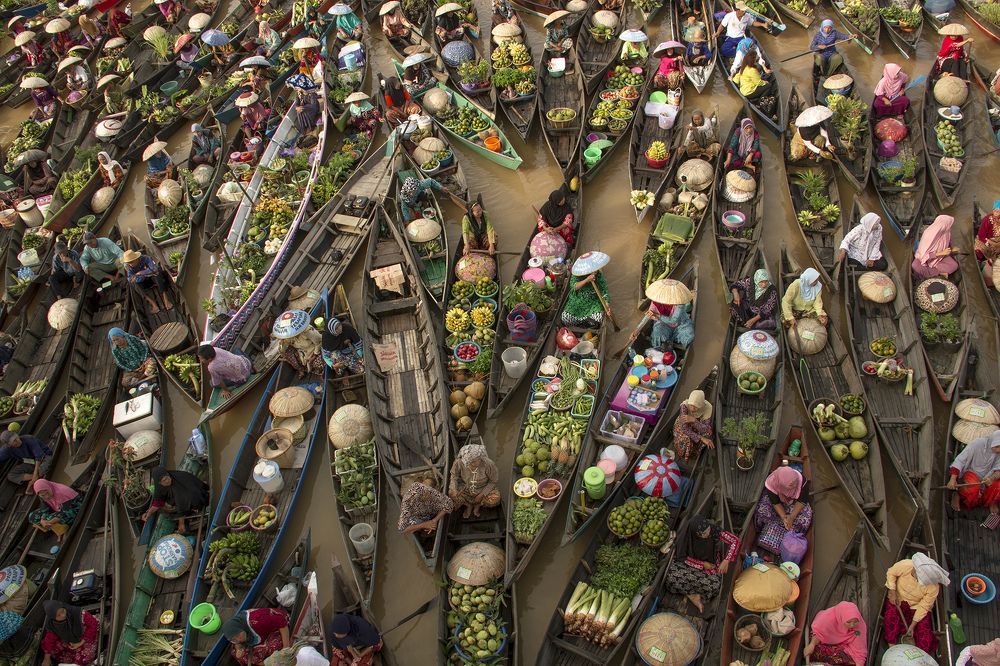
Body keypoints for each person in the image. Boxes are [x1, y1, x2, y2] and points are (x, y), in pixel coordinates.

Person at [663, 514, 734, 612]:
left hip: (710, 567)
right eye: (704, 533)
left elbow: (735, 541)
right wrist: (702, 564)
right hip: (690, 566)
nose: (708, 533)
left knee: (715, 585)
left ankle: (689, 592)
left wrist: (726, 560)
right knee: (670, 576)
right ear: (696, 534)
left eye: (708, 529)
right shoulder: (686, 537)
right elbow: (682, 558)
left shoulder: (712, 530)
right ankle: (692, 595)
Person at [880, 553, 948, 654]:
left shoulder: (933, 588)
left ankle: (920, 655)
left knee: (924, 631)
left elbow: (924, 607)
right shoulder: (905, 565)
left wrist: (912, 626)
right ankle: (892, 647)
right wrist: (892, 591)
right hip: (899, 598)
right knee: (891, 617)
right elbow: (891, 573)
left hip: (916, 605)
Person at [141, 467, 210, 533]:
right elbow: (158, 502)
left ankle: (195, 509)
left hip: (197, 496)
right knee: (168, 506)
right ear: (159, 483)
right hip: (183, 498)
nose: (168, 480)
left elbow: (182, 505)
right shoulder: (160, 487)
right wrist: (148, 513)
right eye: (164, 480)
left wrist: (181, 524)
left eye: (167, 477)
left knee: (181, 508)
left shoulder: (178, 482)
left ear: (168, 474)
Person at [946, 430, 1000, 514]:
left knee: (998, 485)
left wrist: (992, 478)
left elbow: (998, 469)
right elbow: (960, 460)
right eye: (997, 446)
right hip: (972, 472)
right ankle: (958, 494)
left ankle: (992, 502)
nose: (998, 450)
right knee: (974, 486)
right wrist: (953, 479)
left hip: (988, 476)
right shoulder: (977, 444)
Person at [756, 464, 812, 539]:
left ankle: (787, 532)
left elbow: (802, 501)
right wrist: (784, 517)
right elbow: (775, 502)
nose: (795, 485)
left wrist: (792, 517)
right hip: (779, 501)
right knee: (761, 512)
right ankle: (771, 529)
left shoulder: (802, 481)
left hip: (794, 503)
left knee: (805, 519)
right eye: (791, 485)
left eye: (796, 482)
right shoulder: (772, 483)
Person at [804, 601, 868, 665]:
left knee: (850, 660)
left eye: (855, 622)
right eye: (848, 622)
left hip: (841, 645)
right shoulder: (826, 619)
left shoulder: (859, 627)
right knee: (814, 650)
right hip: (820, 638)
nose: (852, 625)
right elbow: (818, 633)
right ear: (841, 618)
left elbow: (860, 650)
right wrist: (811, 645)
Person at [448, 443, 500, 518]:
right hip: (465, 487)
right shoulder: (459, 462)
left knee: (496, 498)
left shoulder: (488, 464)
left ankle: (478, 505)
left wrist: (482, 494)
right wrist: (454, 488)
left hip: (483, 487)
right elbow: (454, 476)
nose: (478, 462)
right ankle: (468, 505)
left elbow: (493, 481)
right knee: (451, 493)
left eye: (479, 459)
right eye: (473, 462)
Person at [222, 608, 290, 665]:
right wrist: (238, 649)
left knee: (272, 646)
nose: (238, 639)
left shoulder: (258, 621)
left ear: (240, 628)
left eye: (238, 635)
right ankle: (266, 663)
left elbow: (282, 621)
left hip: (278, 628)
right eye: (234, 639)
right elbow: (237, 642)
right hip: (259, 635)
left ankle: (270, 663)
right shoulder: (239, 627)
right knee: (237, 654)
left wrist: (286, 647)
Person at [40, 601, 99, 666]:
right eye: (58, 615)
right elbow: (50, 639)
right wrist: (46, 658)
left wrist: (81, 642)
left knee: (83, 659)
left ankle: (77, 657)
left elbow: (93, 624)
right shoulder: (52, 624)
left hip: (85, 636)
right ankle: (73, 657)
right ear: (53, 617)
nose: (63, 615)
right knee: (52, 650)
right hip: (70, 640)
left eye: (62, 611)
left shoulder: (77, 613)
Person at [562, 256, 610, 327]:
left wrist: (607, 306)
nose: (595, 271)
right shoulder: (577, 274)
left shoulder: (599, 275)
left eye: (595, 269)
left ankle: (587, 324)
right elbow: (574, 287)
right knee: (565, 318)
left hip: (593, 302)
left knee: (599, 318)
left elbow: (604, 292)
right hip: (577, 301)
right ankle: (583, 324)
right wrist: (587, 280)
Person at [122, 249, 174, 314]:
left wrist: (142, 273)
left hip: (153, 279)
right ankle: (153, 304)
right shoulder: (129, 267)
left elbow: (154, 268)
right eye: (129, 262)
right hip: (144, 282)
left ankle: (166, 299)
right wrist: (144, 275)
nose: (130, 264)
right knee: (132, 283)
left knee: (158, 272)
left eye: (132, 262)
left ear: (136, 258)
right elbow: (131, 279)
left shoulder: (145, 258)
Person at [912, 214, 961, 278]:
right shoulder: (929, 234)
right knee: (915, 265)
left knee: (954, 265)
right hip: (925, 259)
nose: (949, 227)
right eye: (948, 225)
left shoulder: (946, 233)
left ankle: (935, 272)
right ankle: (938, 273)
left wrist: (951, 249)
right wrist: (941, 253)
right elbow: (923, 256)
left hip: (939, 258)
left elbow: (947, 246)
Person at [673, 390, 714, 463]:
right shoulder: (684, 406)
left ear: (701, 405)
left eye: (695, 407)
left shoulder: (708, 407)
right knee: (686, 439)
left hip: (697, 423)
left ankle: (695, 452)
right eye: (691, 405)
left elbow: (706, 428)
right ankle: (682, 453)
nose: (692, 409)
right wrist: (701, 438)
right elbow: (684, 428)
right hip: (683, 424)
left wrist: (694, 420)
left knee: (708, 433)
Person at [977, 200, 1000, 286]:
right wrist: (991, 243)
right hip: (986, 241)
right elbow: (981, 236)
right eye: (995, 210)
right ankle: (980, 263)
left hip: (997, 243)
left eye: (998, 211)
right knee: (979, 252)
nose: (996, 212)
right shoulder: (987, 219)